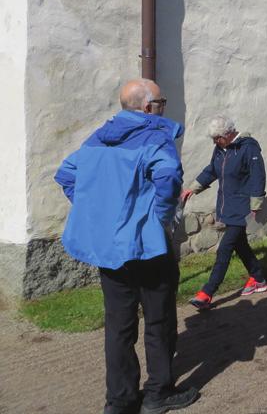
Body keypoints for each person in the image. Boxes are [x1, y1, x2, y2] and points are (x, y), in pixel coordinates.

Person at [54, 79, 199, 414]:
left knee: (118, 325)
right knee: (159, 319)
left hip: (111, 248)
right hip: (148, 246)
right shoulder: (156, 137)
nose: (163, 106)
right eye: (161, 101)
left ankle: (119, 401)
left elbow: (66, 174)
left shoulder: (97, 139)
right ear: (148, 107)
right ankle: (157, 394)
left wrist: (99, 211)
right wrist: (159, 218)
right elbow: (168, 179)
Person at [182, 115, 267, 310]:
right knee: (240, 245)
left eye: (217, 138)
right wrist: (193, 188)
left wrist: (256, 205)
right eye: (213, 139)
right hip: (227, 206)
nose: (215, 142)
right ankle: (258, 278)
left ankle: (207, 292)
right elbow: (211, 170)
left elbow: (258, 176)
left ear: (229, 134)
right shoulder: (220, 149)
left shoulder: (248, 147)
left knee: (225, 248)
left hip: (243, 207)